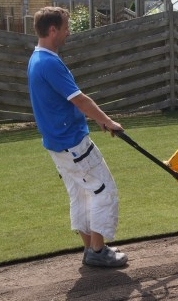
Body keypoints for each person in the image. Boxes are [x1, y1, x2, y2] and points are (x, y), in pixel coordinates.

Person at [28, 6, 128, 267]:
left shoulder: (36, 59)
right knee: (104, 190)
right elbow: (79, 99)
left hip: (56, 144)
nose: (68, 32)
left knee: (81, 194)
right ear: (53, 30)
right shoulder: (49, 63)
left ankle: (90, 250)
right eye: (65, 28)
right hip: (73, 143)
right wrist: (107, 121)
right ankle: (97, 251)